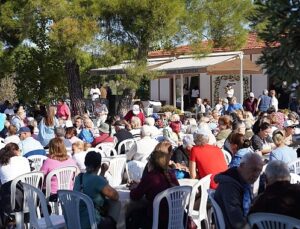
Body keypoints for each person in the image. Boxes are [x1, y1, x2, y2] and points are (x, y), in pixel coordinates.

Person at [129, 141, 179, 229]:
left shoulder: (150, 177)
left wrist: (133, 188)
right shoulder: (171, 174)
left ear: (151, 163)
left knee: (132, 215)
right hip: (176, 217)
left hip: (157, 220)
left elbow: (135, 196)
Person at [214, 153, 264, 229]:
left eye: (259, 171)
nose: (256, 174)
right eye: (254, 169)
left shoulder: (242, 180)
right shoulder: (230, 186)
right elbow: (238, 222)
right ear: (242, 166)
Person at [73, 151, 120, 229]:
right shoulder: (97, 180)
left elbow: (94, 185)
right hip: (92, 223)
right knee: (116, 208)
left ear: (85, 163)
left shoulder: (79, 178)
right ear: (98, 166)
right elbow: (115, 196)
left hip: (77, 221)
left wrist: (102, 172)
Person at [0, 143, 31, 227]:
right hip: (30, 198)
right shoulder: (24, 159)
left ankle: (9, 221)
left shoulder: (2, 163)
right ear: (16, 151)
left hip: (12, 202)